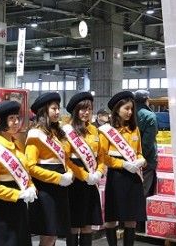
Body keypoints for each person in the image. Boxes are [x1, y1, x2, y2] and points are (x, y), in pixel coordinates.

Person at [0, 100, 37, 246]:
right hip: (3, 204)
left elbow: (25, 171)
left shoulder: (18, 144)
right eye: (11, 118)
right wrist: (17, 194)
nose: (16, 122)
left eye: (17, 117)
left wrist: (31, 187)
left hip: (20, 203)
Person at [98, 91, 147, 246]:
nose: (130, 112)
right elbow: (103, 156)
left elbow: (139, 152)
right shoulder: (107, 131)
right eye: (126, 108)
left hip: (134, 178)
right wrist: (123, 164)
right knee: (112, 218)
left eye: (131, 109)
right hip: (117, 177)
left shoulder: (134, 129)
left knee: (131, 219)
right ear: (117, 109)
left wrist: (141, 160)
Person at [25, 92, 73, 246]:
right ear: (43, 111)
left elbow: (64, 158)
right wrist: (58, 178)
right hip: (46, 189)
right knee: (48, 235)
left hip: (60, 188)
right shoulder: (35, 135)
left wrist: (69, 172)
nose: (58, 112)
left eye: (58, 108)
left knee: (54, 234)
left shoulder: (57, 133)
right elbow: (31, 167)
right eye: (54, 109)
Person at [63, 92, 104, 246]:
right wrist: (84, 175)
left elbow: (101, 155)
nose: (87, 112)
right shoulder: (66, 131)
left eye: (90, 109)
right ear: (75, 110)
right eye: (83, 109)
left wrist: (99, 171)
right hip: (75, 182)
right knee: (74, 225)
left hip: (91, 182)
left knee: (88, 225)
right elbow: (65, 159)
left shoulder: (94, 130)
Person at [134, 90, 158, 233]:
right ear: (146, 100)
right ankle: (140, 225)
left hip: (129, 161)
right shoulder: (150, 116)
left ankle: (129, 221)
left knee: (133, 190)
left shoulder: (128, 114)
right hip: (146, 161)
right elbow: (148, 143)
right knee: (144, 192)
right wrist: (141, 159)